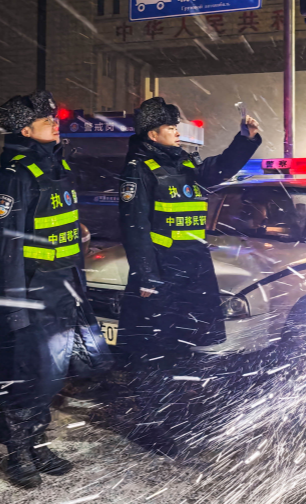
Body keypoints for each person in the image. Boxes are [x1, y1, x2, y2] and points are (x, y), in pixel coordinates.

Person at [117, 97, 261, 450]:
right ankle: (151, 424)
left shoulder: (184, 162)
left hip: (192, 270)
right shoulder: (139, 169)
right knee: (154, 350)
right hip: (163, 272)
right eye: (170, 128)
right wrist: (147, 277)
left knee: (184, 346)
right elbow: (134, 228)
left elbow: (220, 169)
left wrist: (244, 140)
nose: (177, 132)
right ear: (153, 134)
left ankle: (177, 414)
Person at [0, 89, 111, 488]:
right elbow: (4, 250)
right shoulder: (13, 176)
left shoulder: (58, 168)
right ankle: (18, 453)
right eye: (47, 121)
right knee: (25, 373)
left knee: (52, 375)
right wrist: (14, 308)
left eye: (55, 120)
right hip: (33, 293)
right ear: (25, 130)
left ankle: (37, 444)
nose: (56, 125)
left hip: (65, 289)